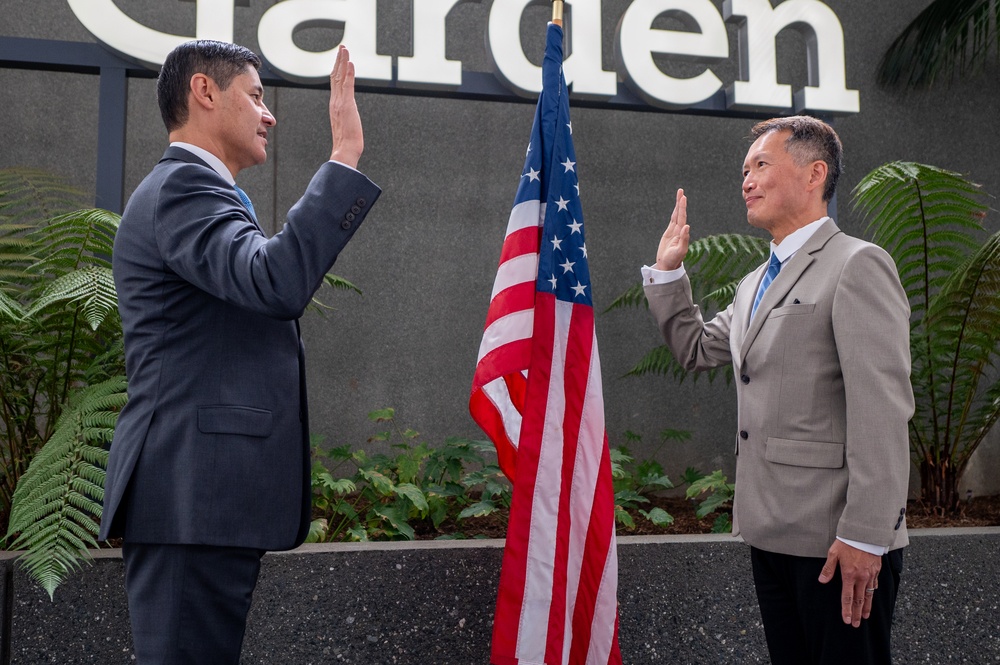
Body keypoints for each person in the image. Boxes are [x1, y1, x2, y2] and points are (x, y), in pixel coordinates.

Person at [98, 40, 380, 663]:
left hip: (202, 505)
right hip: (191, 502)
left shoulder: (200, 192)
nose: (269, 113)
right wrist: (343, 157)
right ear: (204, 92)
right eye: (255, 96)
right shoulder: (184, 189)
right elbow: (274, 281)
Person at [642, 116, 912, 664]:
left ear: (815, 174)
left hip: (837, 542)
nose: (747, 179)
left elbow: (880, 410)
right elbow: (697, 349)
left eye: (761, 164)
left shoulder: (858, 265)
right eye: (744, 169)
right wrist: (669, 274)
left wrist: (866, 535)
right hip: (769, 533)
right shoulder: (752, 286)